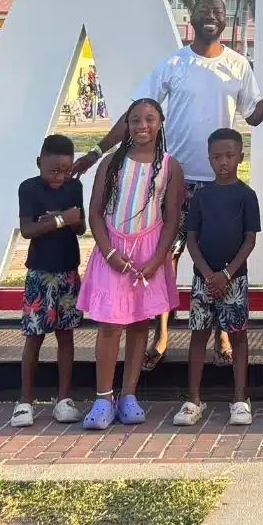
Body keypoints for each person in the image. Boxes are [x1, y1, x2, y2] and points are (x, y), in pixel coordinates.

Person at [75, 0, 263, 364]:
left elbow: (252, 116)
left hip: (221, 182)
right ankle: (160, 335)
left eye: (218, 11)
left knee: (219, 253)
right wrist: (97, 152)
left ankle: (222, 334)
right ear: (191, 18)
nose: (211, 16)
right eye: (204, 10)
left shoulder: (238, 65)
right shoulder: (173, 63)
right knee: (166, 255)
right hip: (173, 177)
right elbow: (134, 115)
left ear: (225, 20)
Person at [78, 98, 185, 430]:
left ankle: (129, 395)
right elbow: (96, 212)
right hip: (114, 252)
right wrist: (109, 252)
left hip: (148, 255)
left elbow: (171, 220)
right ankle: (102, 397)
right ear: (126, 125)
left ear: (161, 123)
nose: (142, 125)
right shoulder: (111, 162)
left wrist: (157, 259)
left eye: (150, 119)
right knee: (110, 325)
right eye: (135, 119)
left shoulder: (170, 166)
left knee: (140, 323)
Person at [172, 128, 259, 428]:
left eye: (230, 156)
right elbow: (192, 240)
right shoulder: (201, 197)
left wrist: (226, 273)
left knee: (238, 336)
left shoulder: (247, 196)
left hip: (235, 279)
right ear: (209, 159)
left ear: (240, 157)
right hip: (203, 281)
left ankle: (239, 398)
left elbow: (249, 240)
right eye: (217, 157)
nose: (223, 162)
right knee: (198, 335)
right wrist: (208, 274)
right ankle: (194, 399)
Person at [11, 133, 86, 429]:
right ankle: (25, 401)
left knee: (66, 335)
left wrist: (71, 220)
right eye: (53, 171)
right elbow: (28, 229)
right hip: (39, 274)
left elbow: (79, 226)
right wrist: (58, 220)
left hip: (68, 270)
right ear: (39, 163)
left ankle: (64, 399)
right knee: (34, 336)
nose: (60, 177)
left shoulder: (74, 186)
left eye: (66, 171)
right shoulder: (28, 188)